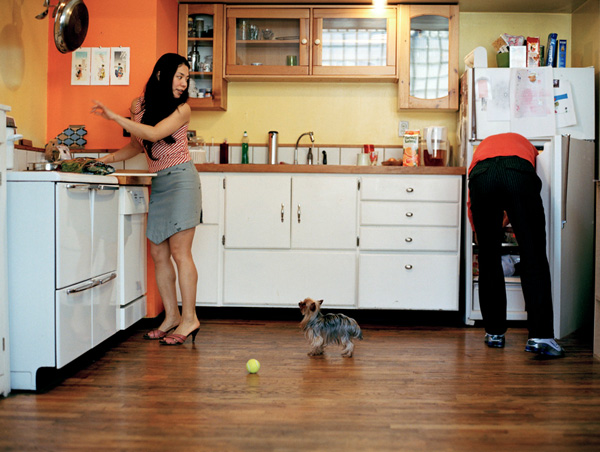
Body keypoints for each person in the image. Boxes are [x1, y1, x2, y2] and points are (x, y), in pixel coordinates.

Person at [91, 53, 201, 346]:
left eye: (187, 78)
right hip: (160, 184)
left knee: (180, 254)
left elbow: (153, 133)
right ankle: (171, 317)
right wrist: (107, 159)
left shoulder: (183, 110)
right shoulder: (139, 106)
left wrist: (115, 117)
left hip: (181, 181)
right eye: (180, 76)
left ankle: (190, 318)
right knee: (158, 254)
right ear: (162, 75)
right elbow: (138, 144)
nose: (184, 83)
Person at [468, 132, 564, 358]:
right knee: (533, 255)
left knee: (488, 257)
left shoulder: (481, 150)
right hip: (518, 171)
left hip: (482, 176)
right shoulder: (528, 147)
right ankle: (541, 337)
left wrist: (483, 233)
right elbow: (519, 193)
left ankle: (494, 333)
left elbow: (473, 204)